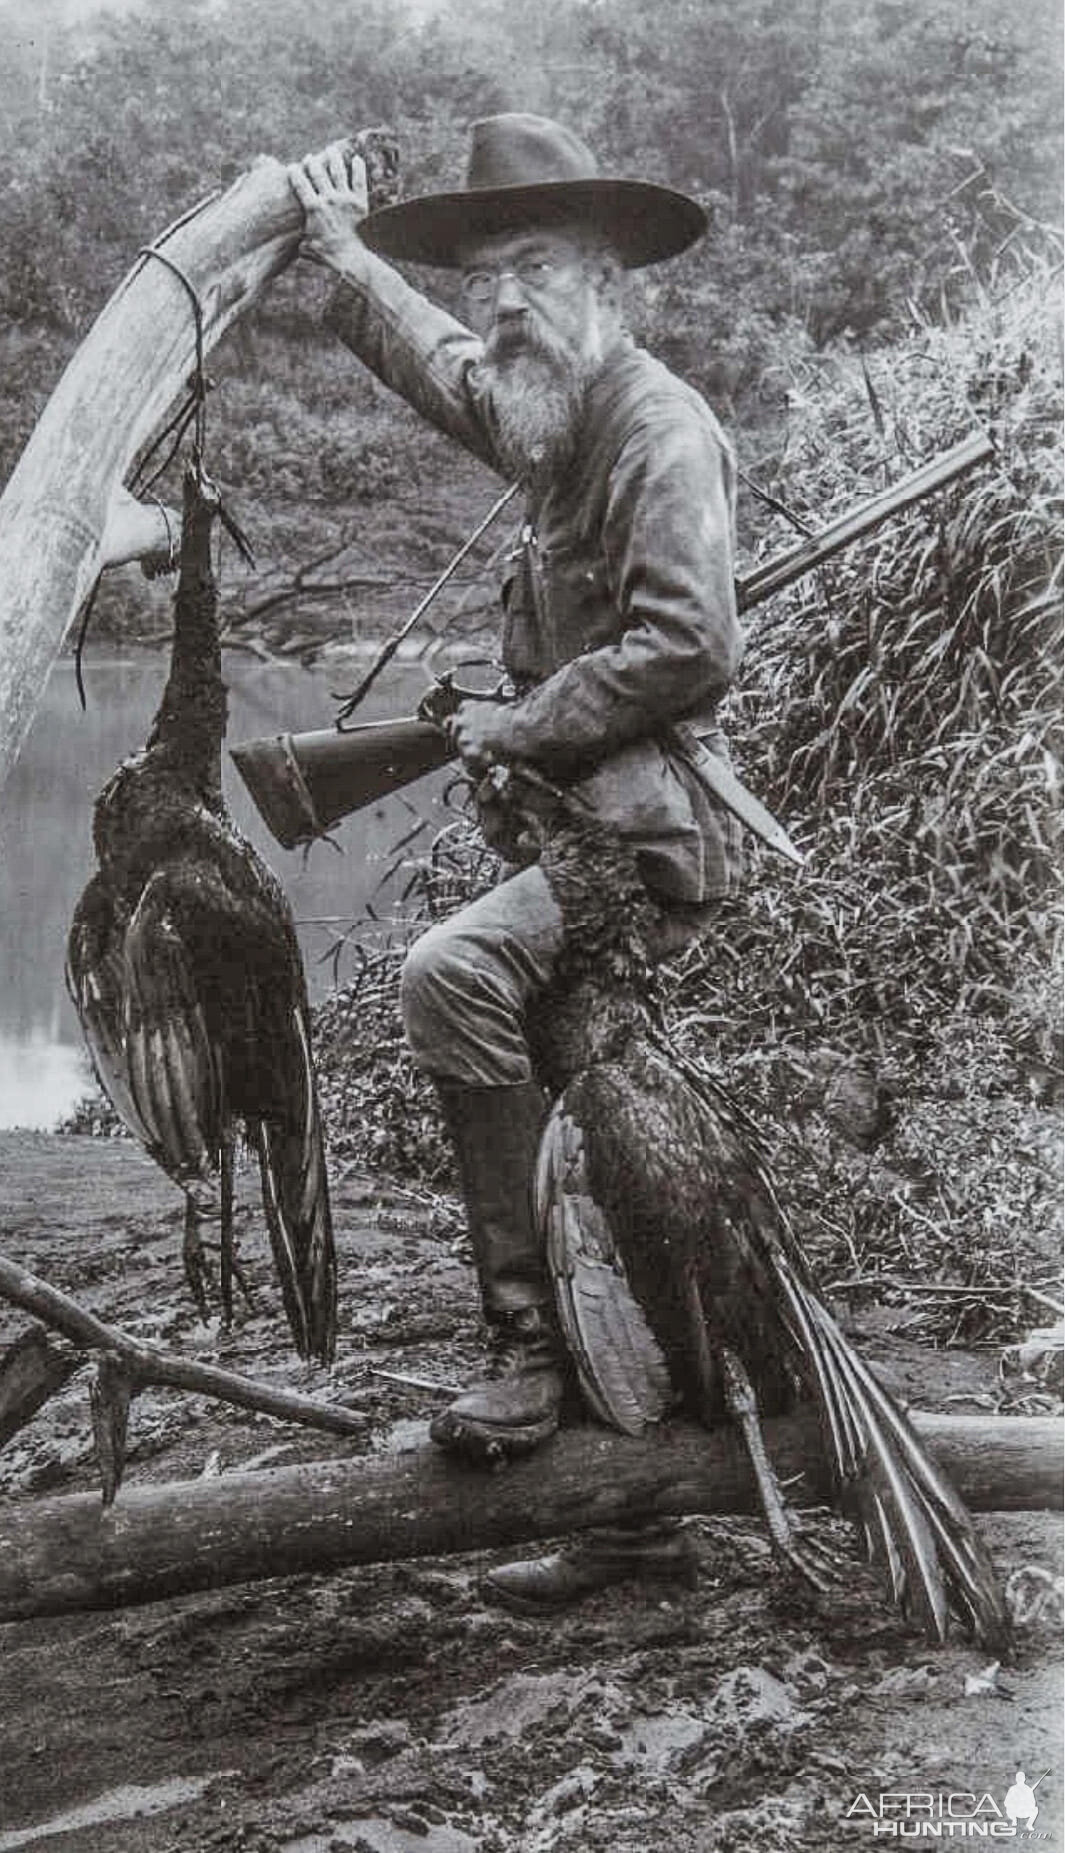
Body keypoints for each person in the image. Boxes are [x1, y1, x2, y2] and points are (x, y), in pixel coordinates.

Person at [288, 113, 745, 1609]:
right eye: (483, 276)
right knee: (600, 1170)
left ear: (607, 275)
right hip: (575, 838)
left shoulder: (656, 427)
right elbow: (432, 361)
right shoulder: (540, 406)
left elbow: (688, 642)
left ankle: (527, 1349)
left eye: (532, 266)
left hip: (640, 849)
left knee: (447, 969)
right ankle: (636, 1518)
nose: (498, 303)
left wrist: (520, 719)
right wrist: (335, 255)